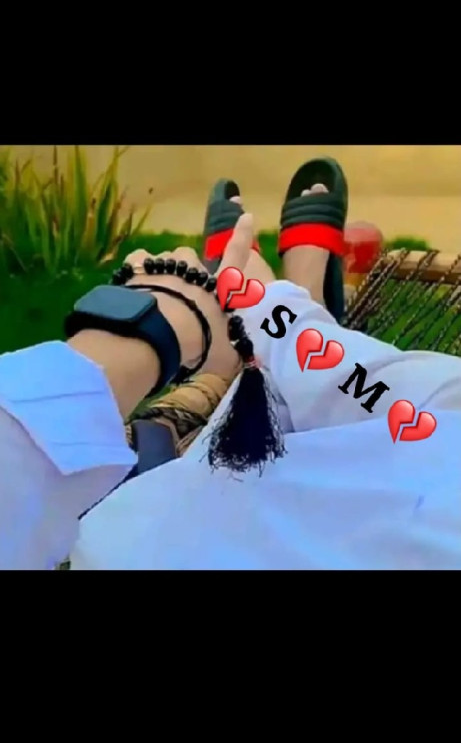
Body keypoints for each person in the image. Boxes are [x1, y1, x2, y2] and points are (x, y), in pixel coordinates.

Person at [0, 158, 460, 570]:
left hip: (168, 530)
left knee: (408, 405)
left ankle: (278, 317)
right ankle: (296, 310)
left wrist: (151, 327)